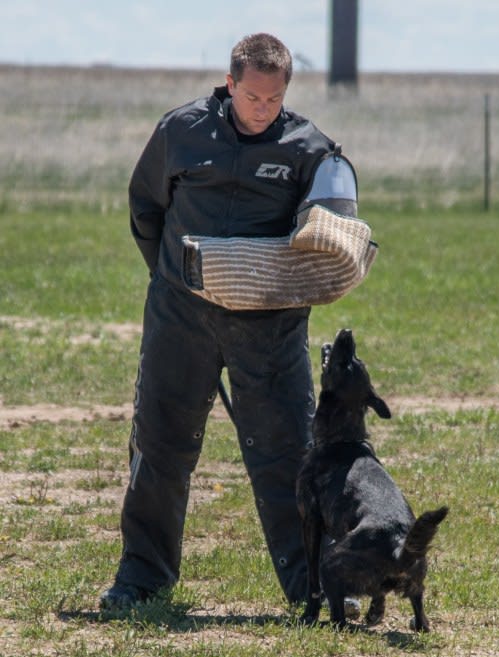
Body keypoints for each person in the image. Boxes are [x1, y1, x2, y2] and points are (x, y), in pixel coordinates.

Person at [100, 33, 359, 615]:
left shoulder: (309, 148)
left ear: (286, 92)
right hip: (180, 316)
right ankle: (142, 580)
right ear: (230, 83)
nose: (261, 109)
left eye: (273, 100)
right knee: (160, 443)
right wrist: (176, 280)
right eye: (251, 97)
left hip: (270, 326)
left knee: (289, 452)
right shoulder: (182, 131)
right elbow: (147, 210)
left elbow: (331, 224)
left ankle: (314, 587)